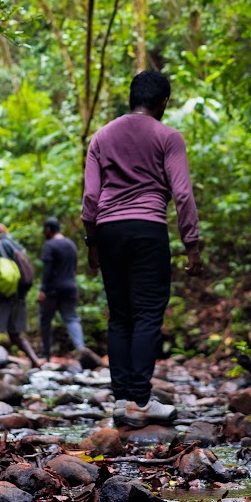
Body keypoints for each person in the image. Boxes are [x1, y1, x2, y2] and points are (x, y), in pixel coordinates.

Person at [81, 70, 202, 404]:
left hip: (108, 230)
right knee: (148, 314)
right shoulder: (168, 137)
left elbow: (91, 198)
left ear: (131, 99)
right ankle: (140, 399)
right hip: (148, 228)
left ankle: (121, 400)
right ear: (163, 102)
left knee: (120, 315)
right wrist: (191, 244)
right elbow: (183, 194)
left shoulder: (101, 137)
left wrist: (92, 243)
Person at [38, 216, 102, 368]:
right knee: (71, 319)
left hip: (53, 288)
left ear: (48, 229)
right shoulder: (71, 244)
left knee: (45, 320)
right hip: (70, 287)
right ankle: (81, 350)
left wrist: (43, 290)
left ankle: (45, 354)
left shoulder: (50, 245)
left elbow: (47, 270)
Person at [0, 222, 42, 374]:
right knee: (15, 333)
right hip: (19, 294)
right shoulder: (16, 245)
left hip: (3, 294)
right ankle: (35, 361)